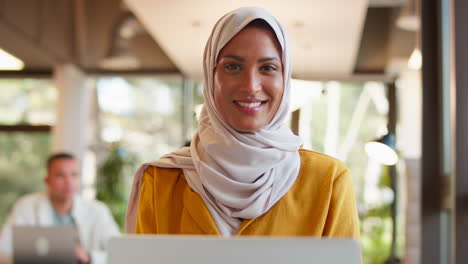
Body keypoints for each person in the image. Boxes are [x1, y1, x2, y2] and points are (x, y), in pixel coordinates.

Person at [126, 7, 360, 238]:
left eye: (268, 68)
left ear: (284, 78)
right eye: (233, 67)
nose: (250, 86)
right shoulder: (161, 181)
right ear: (210, 75)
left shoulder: (328, 181)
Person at [0, 153, 120, 264]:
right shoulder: (26, 206)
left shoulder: (98, 210)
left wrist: (89, 257)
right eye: (60, 175)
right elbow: (3, 250)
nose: (69, 182)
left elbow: (119, 253)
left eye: (74, 175)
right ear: (47, 180)